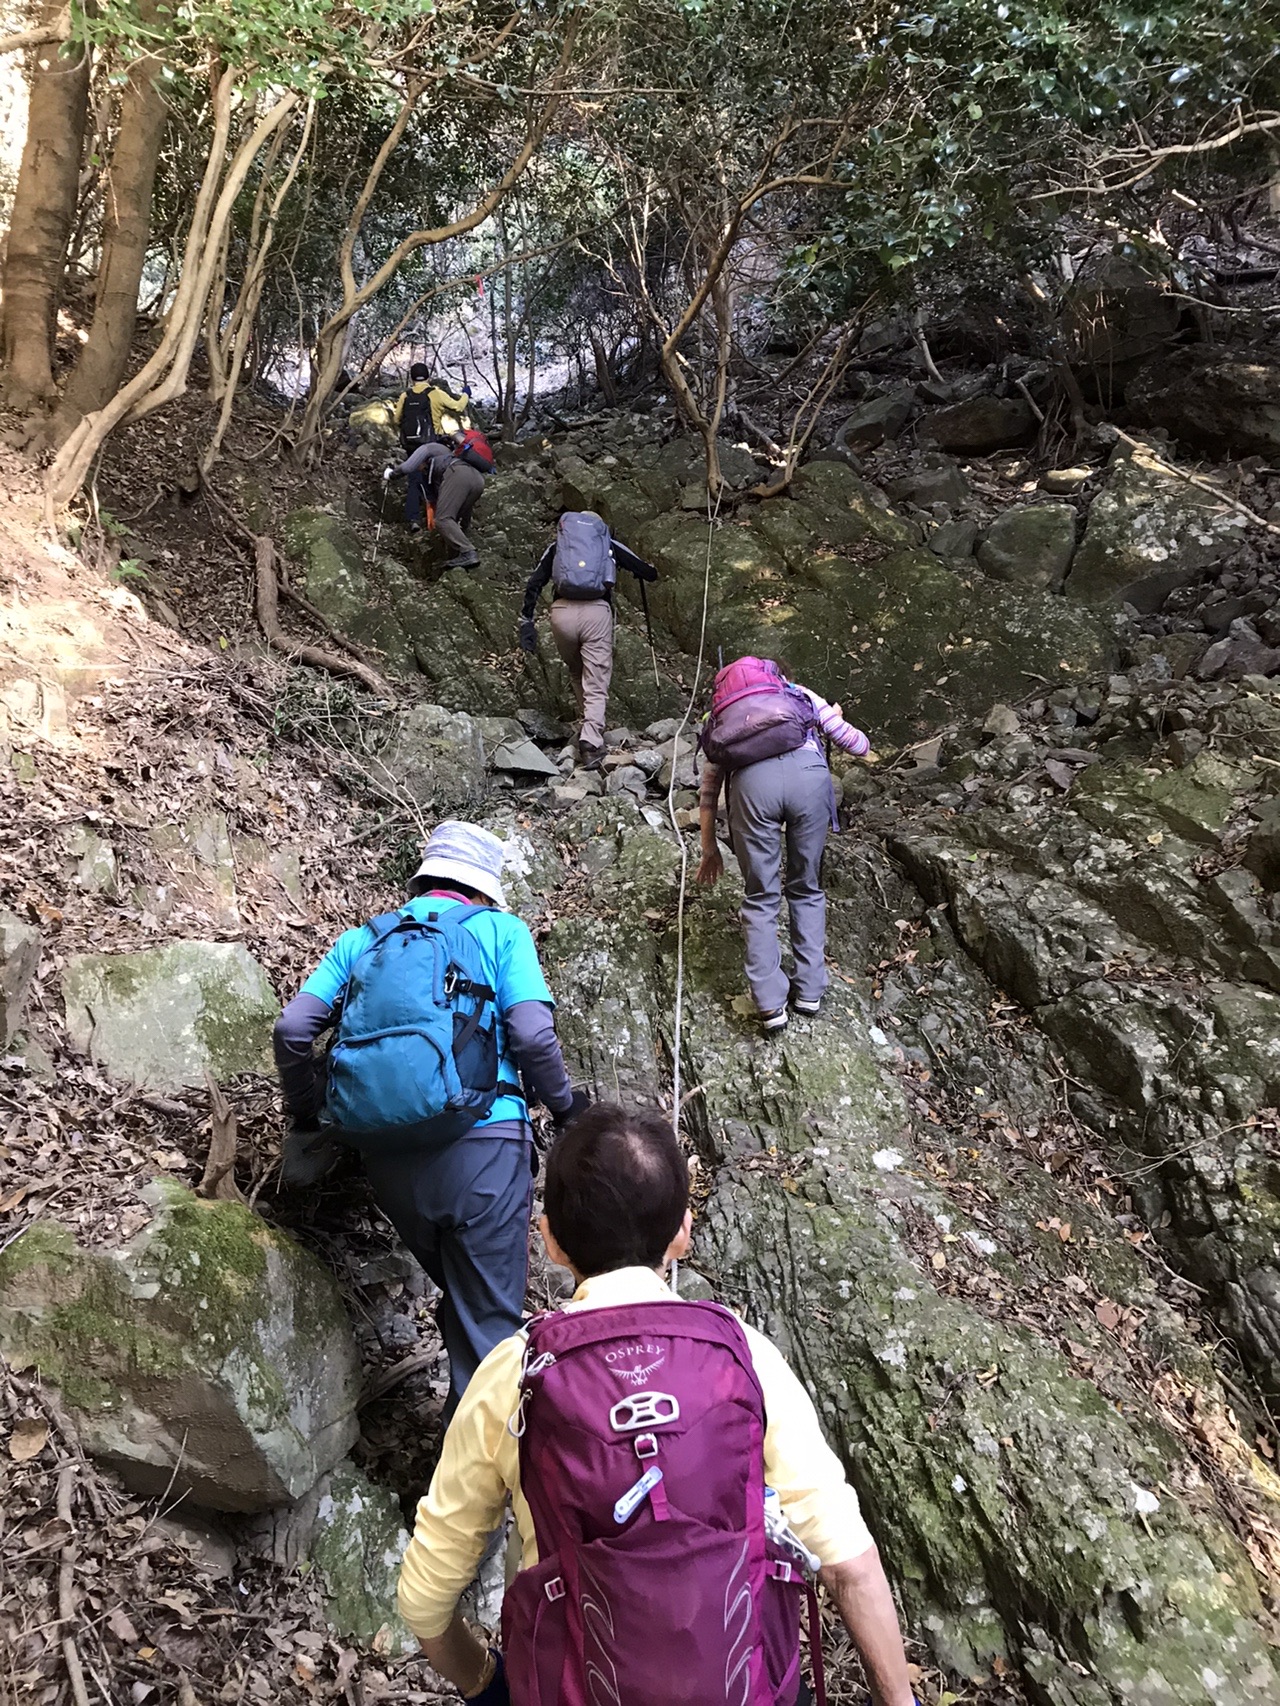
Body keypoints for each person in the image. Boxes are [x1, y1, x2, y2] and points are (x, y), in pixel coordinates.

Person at [396, 1103, 915, 1706]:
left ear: (550, 1241)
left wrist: (488, 1685)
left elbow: (426, 1601)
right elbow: (849, 1566)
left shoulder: (513, 1375)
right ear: (683, 1233)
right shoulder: (747, 1359)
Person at [273, 821, 587, 1414]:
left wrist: (309, 1117)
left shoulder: (363, 940)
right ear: (483, 888)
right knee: (490, 1334)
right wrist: (568, 1109)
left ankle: (461, 1465)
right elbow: (530, 1033)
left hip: (387, 1159)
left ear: (424, 876)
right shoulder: (501, 931)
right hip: (483, 1148)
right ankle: (468, 1495)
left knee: (466, 1301)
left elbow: (292, 1031)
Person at [696, 657, 869, 1032]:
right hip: (809, 780)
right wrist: (831, 717)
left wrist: (709, 846)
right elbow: (857, 745)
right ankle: (809, 991)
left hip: (752, 790)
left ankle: (771, 1005)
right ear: (778, 678)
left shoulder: (723, 717)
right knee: (806, 887)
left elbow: (709, 789)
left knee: (761, 897)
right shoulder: (798, 695)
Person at [518, 511, 657, 767]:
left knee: (576, 671)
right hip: (595, 612)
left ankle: (588, 725)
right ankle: (591, 743)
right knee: (596, 679)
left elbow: (534, 582)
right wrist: (647, 572)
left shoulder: (559, 547)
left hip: (561, 615)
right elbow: (646, 570)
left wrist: (526, 621)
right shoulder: (606, 543)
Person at [384, 427, 492, 566]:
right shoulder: (452, 454)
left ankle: (468, 552)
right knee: (455, 517)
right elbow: (464, 512)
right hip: (478, 480)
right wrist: (465, 526)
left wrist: (390, 474)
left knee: (442, 519)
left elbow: (407, 468)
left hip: (458, 475)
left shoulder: (428, 447)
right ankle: (460, 553)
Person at [393, 364, 472, 453]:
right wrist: (466, 394)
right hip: (433, 443)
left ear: (412, 379)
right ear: (428, 377)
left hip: (410, 444)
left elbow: (396, 420)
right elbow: (459, 407)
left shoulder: (405, 396)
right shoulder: (436, 394)